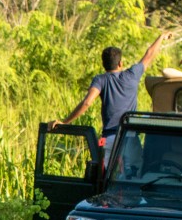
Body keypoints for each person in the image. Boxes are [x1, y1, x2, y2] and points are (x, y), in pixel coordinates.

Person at [56, 32, 170, 164]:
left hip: (108, 138)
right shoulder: (132, 75)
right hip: (130, 136)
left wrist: (65, 122)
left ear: (104, 64)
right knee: (135, 175)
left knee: (105, 177)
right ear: (120, 63)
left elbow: (87, 103)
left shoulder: (100, 80)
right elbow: (149, 54)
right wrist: (161, 37)